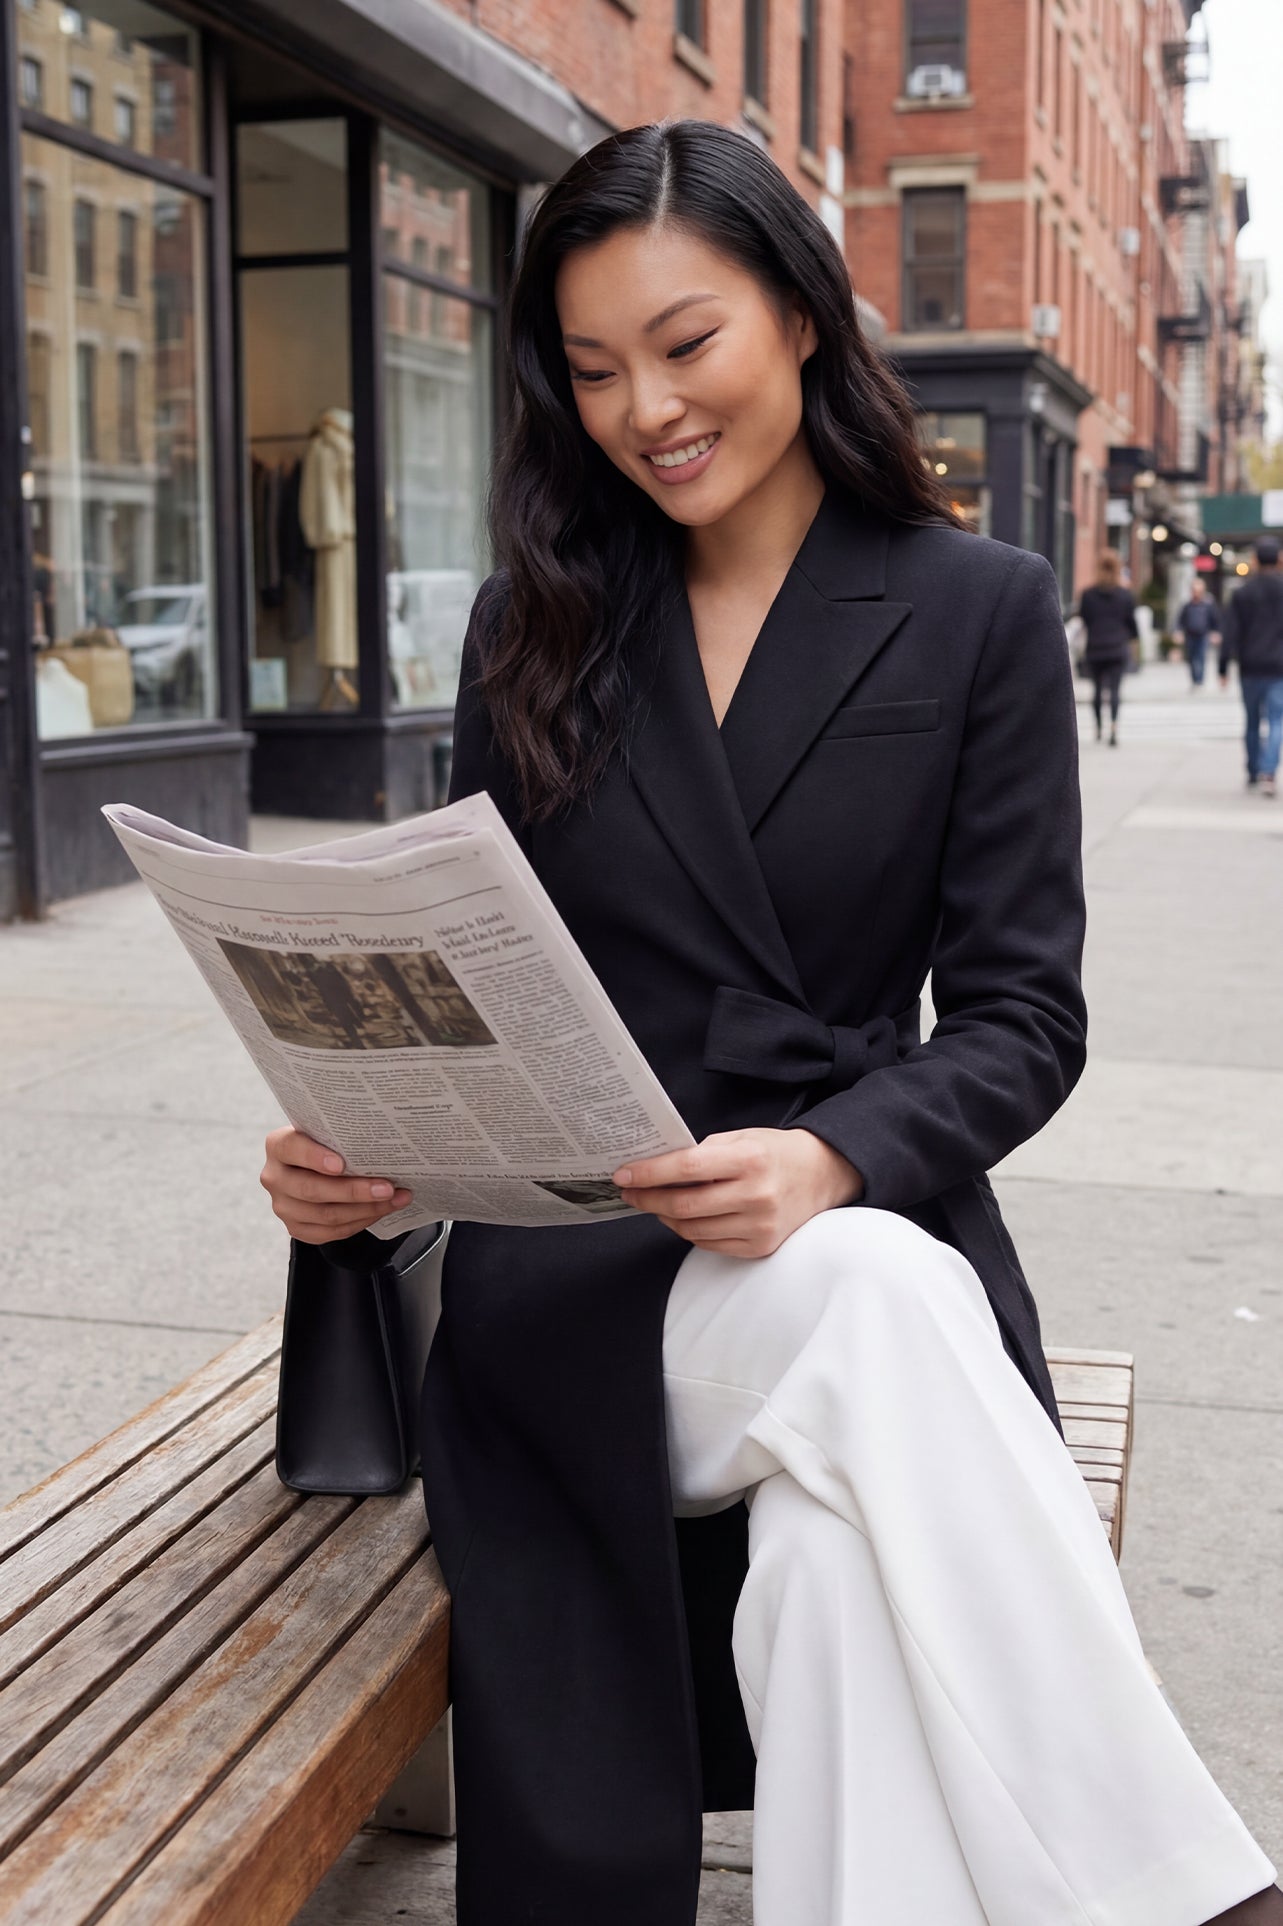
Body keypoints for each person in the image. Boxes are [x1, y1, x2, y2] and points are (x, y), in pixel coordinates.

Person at [259, 121, 1281, 1926]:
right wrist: (360, 1149)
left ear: (799, 316)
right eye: (588, 369)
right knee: (888, 1306)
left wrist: (831, 1154)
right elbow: (463, 981)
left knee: (831, 1552)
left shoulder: (978, 612)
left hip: (830, 1228)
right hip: (575, 1293)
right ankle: (1172, 1889)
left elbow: (1022, 1017)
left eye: (683, 341)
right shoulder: (534, 626)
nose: (642, 405)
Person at [1219, 537, 1283, 797]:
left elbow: (1231, 632)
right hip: (1279, 666)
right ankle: (1269, 771)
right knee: (1277, 720)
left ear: (1255, 560)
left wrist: (1223, 666)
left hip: (1250, 665)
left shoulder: (1242, 592)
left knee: (1253, 721)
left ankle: (1254, 769)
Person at [1077, 548, 1139, 744]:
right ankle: (1113, 727)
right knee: (1115, 690)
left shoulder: (1088, 595)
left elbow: (1085, 619)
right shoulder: (1124, 595)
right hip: (1117, 647)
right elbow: (1132, 624)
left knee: (1096, 690)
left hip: (1095, 646)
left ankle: (1098, 727)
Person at [1175, 575, 1223, 689]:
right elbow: (1180, 621)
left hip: (1203, 635)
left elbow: (1215, 620)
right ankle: (1194, 679)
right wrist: (1178, 632)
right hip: (1190, 635)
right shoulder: (1187, 606)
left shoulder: (1208, 605)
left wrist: (1216, 632)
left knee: (1201, 657)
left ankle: (1200, 680)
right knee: (1191, 658)